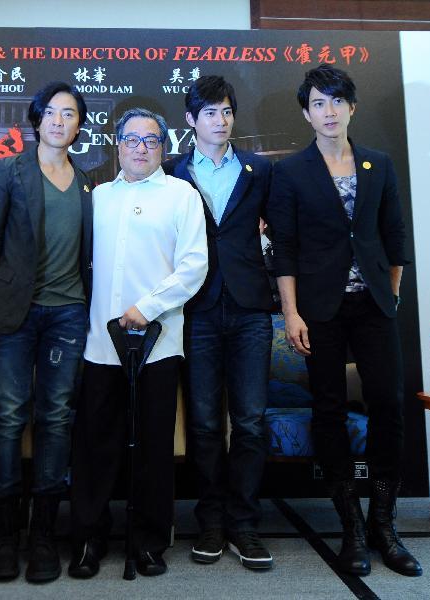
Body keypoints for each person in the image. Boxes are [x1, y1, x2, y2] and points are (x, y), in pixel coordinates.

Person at [267, 64, 422, 577]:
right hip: (319, 308)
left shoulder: (378, 164)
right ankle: (351, 527)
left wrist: (391, 292)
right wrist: (290, 312)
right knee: (329, 410)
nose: (328, 112)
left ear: (351, 107)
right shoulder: (290, 172)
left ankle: (384, 522)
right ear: (305, 113)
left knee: (388, 407)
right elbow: (283, 250)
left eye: (336, 101)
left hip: (374, 305)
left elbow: (394, 235)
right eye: (318, 103)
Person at [69, 107, 207, 579]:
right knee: (95, 445)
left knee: (152, 447)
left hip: (158, 342)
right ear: (118, 145)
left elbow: (193, 266)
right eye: (132, 140)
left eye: (151, 141)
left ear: (164, 147)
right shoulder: (99, 196)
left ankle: (149, 540)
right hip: (100, 345)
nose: (141, 148)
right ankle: (89, 538)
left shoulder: (181, 195)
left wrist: (145, 309)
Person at [0, 82, 93, 583]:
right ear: (37, 119)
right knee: (7, 415)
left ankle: (43, 534)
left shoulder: (88, 183)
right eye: (52, 112)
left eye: (70, 114)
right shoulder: (9, 170)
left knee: (57, 418)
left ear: (79, 125)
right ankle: (5, 536)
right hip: (16, 314)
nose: (60, 121)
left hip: (69, 314)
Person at [163, 75, 275, 570]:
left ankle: (245, 525)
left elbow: (280, 235)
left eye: (227, 111)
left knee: (250, 421)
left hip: (251, 307)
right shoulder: (170, 173)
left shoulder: (260, 171)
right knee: (205, 423)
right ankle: (210, 521)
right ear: (190, 121)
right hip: (197, 309)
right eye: (209, 113)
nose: (220, 120)